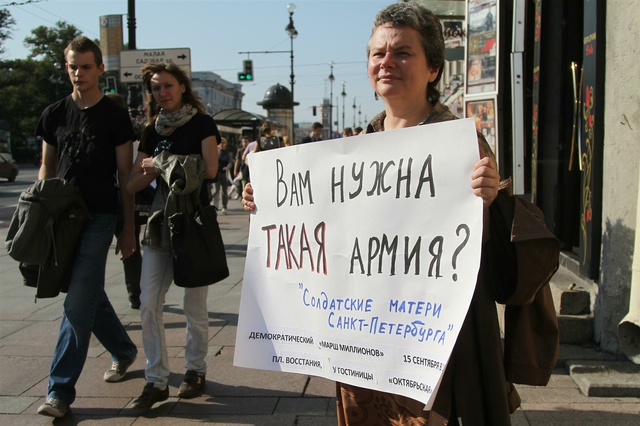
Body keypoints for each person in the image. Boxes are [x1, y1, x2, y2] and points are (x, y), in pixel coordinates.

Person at [242, 3, 559, 425]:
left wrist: (491, 202)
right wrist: (268, 205)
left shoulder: (462, 149)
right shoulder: (352, 150)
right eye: (378, 53)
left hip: (430, 348)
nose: (386, 62)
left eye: (402, 53)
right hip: (362, 344)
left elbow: (486, 260)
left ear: (432, 69)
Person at [35, 36, 138, 419]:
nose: (79, 73)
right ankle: (124, 350)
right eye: (72, 66)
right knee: (88, 291)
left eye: (86, 66)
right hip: (62, 218)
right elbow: (47, 167)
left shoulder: (113, 116)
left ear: (99, 70)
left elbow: (125, 175)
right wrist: (40, 213)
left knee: (77, 302)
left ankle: (59, 391)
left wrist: (128, 229)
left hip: (98, 216)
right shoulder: (54, 114)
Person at [127, 62, 220, 410]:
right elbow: (133, 182)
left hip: (193, 220)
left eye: (168, 85)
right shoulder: (151, 130)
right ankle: (157, 379)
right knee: (149, 301)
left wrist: (161, 163)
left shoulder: (202, 123)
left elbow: (209, 169)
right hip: (158, 222)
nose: (162, 93)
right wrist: (151, 166)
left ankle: (195, 370)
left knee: (194, 305)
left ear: (182, 86)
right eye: (155, 88)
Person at [106, 92, 142, 309]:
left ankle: (135, 295)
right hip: (127, 197)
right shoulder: (132, 135)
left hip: (116, 197)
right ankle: (135, 296)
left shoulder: (120, 134)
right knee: (131, 250)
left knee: (130, 247)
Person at [212, 136, 232, 213]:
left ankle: (224, 206)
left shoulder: (227, 153)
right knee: (216, 190)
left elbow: (230, 162)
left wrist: (227, 167)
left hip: (223, 174)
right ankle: (215, 206)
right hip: (216, 173)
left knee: (224, 191)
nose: (222, 144)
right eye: (220, 142)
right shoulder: (215, 151)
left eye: (223, 142)